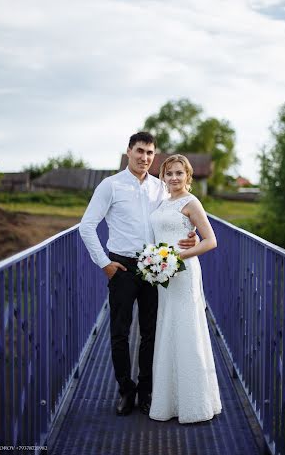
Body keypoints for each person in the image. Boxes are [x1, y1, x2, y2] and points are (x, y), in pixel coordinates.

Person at [79, 132, 197, 416]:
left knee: (151, 332)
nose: (145, 158)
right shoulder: (110, 186)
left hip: (154, 267)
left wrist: (190, 235)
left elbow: (177, 215)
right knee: (119, 332)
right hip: (120, 266)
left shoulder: (161, 187)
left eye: (150, 153)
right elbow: (86, 226)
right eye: (140, 151)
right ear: (129, 151)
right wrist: (104, 263)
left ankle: (146, 392)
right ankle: (125, 391)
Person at [149, 154, 222, 424]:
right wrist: (156, 261)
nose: (174, 178)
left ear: (187, 176)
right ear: (163, 177)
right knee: (168, 328)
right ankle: (168, 401)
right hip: (164, 276)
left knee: (186, 329)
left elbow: (211, 241)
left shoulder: (192, 202)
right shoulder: (162, 202)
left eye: (179, 173)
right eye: (169, 174)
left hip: (183, 272)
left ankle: (195, 403)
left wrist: (176, 258)